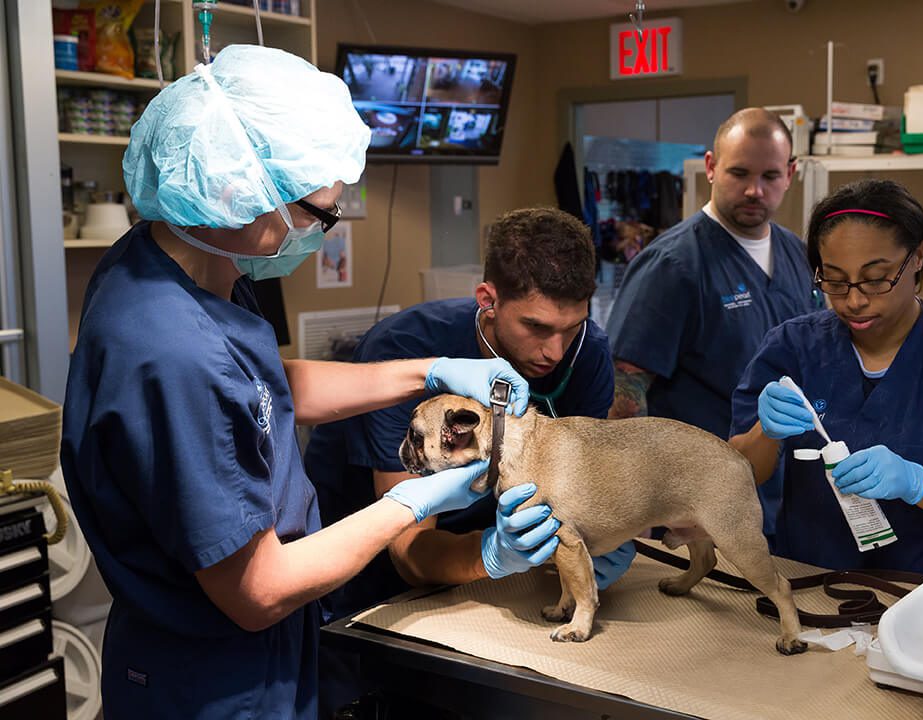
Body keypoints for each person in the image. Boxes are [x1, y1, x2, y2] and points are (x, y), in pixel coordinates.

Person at [60, 45, 532, 720]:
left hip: (248, 658)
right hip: (216, 680)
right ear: (237, 191)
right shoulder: (172, 353)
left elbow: (259, 389)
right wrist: (415, 501)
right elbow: (258, 591)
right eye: (319, 214)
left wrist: (426, 372)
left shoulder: (184, 257)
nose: (318, 233)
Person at [305, 207, 635, 625]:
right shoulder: (402, 348)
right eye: (536, 327)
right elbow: (409, 553)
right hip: (371, 577)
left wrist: (602, 532)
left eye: (571, 328)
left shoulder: (587, 353)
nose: (555, 351)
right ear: (488, 301)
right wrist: (494, 554)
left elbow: (581, 486)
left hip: (494, 579)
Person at [729, 179, 923, 574]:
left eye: (876, 279)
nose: (854, 301)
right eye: (835, 281)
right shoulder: (792, 348)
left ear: (918, 257)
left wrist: (916, 482)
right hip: (807, 582)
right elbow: (740, 474)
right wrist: (765, 433)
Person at [604, 107, 819, 537]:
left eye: (770, 176)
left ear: (791, 173)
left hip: (786, 497)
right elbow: (624, 397)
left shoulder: (800, 256)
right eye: (739, 173)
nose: (754, 190)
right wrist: (639, 512)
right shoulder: (673, 265)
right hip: (696, 508)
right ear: (710, 166)